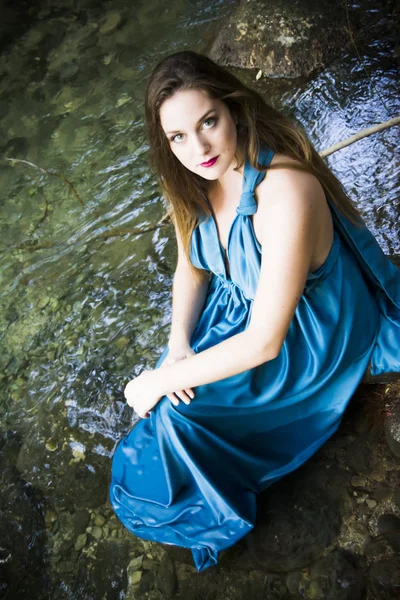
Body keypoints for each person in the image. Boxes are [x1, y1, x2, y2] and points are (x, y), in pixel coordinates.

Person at [109, 51, 400, 572]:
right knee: (168, 402)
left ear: (235, 109)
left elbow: (267, 339)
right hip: (242, 307)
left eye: (209, 122)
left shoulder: (284, 190)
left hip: (307, 335)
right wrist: (177, 349)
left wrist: (157, 381)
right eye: (178, 137)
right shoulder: (193, 179)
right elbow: (192, 271)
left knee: (177, 416)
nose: (197, 148)